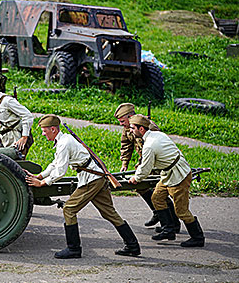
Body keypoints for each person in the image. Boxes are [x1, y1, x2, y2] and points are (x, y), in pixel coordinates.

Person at [25, 114, 141, 259]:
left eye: (44, 130)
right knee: (109, 212)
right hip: (96, 177)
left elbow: (60, 171)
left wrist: (42, 183)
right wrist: (39, 176)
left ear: (53, 129)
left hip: (91, 180)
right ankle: (133, 246)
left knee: (69, 209)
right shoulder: (63, 140)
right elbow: (55, 164)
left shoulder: (64, 143)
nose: (43, 134)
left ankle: (74, 249)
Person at [128, 114, 205, 247]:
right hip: (168, 173)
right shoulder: (157, 135)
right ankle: (169, 229)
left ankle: (198, 237)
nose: (130, 130)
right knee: (157, 197)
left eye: (132, 128)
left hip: (179, 176)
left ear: (141, 129)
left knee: (181, 211)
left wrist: (136, 178)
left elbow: (145, 169)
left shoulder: (150, 145)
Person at [114, 103, 181, 234]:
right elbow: (126, 145)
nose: (121, 124)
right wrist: (124, 164)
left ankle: (172, 223)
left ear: (131, 116)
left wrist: (145, 166)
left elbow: (158, 147)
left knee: (160, 193)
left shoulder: (148, 127)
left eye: (122, 121)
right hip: (145, 161)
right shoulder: (128, 128)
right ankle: (158, 213)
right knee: (142, 187)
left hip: (157, 163)